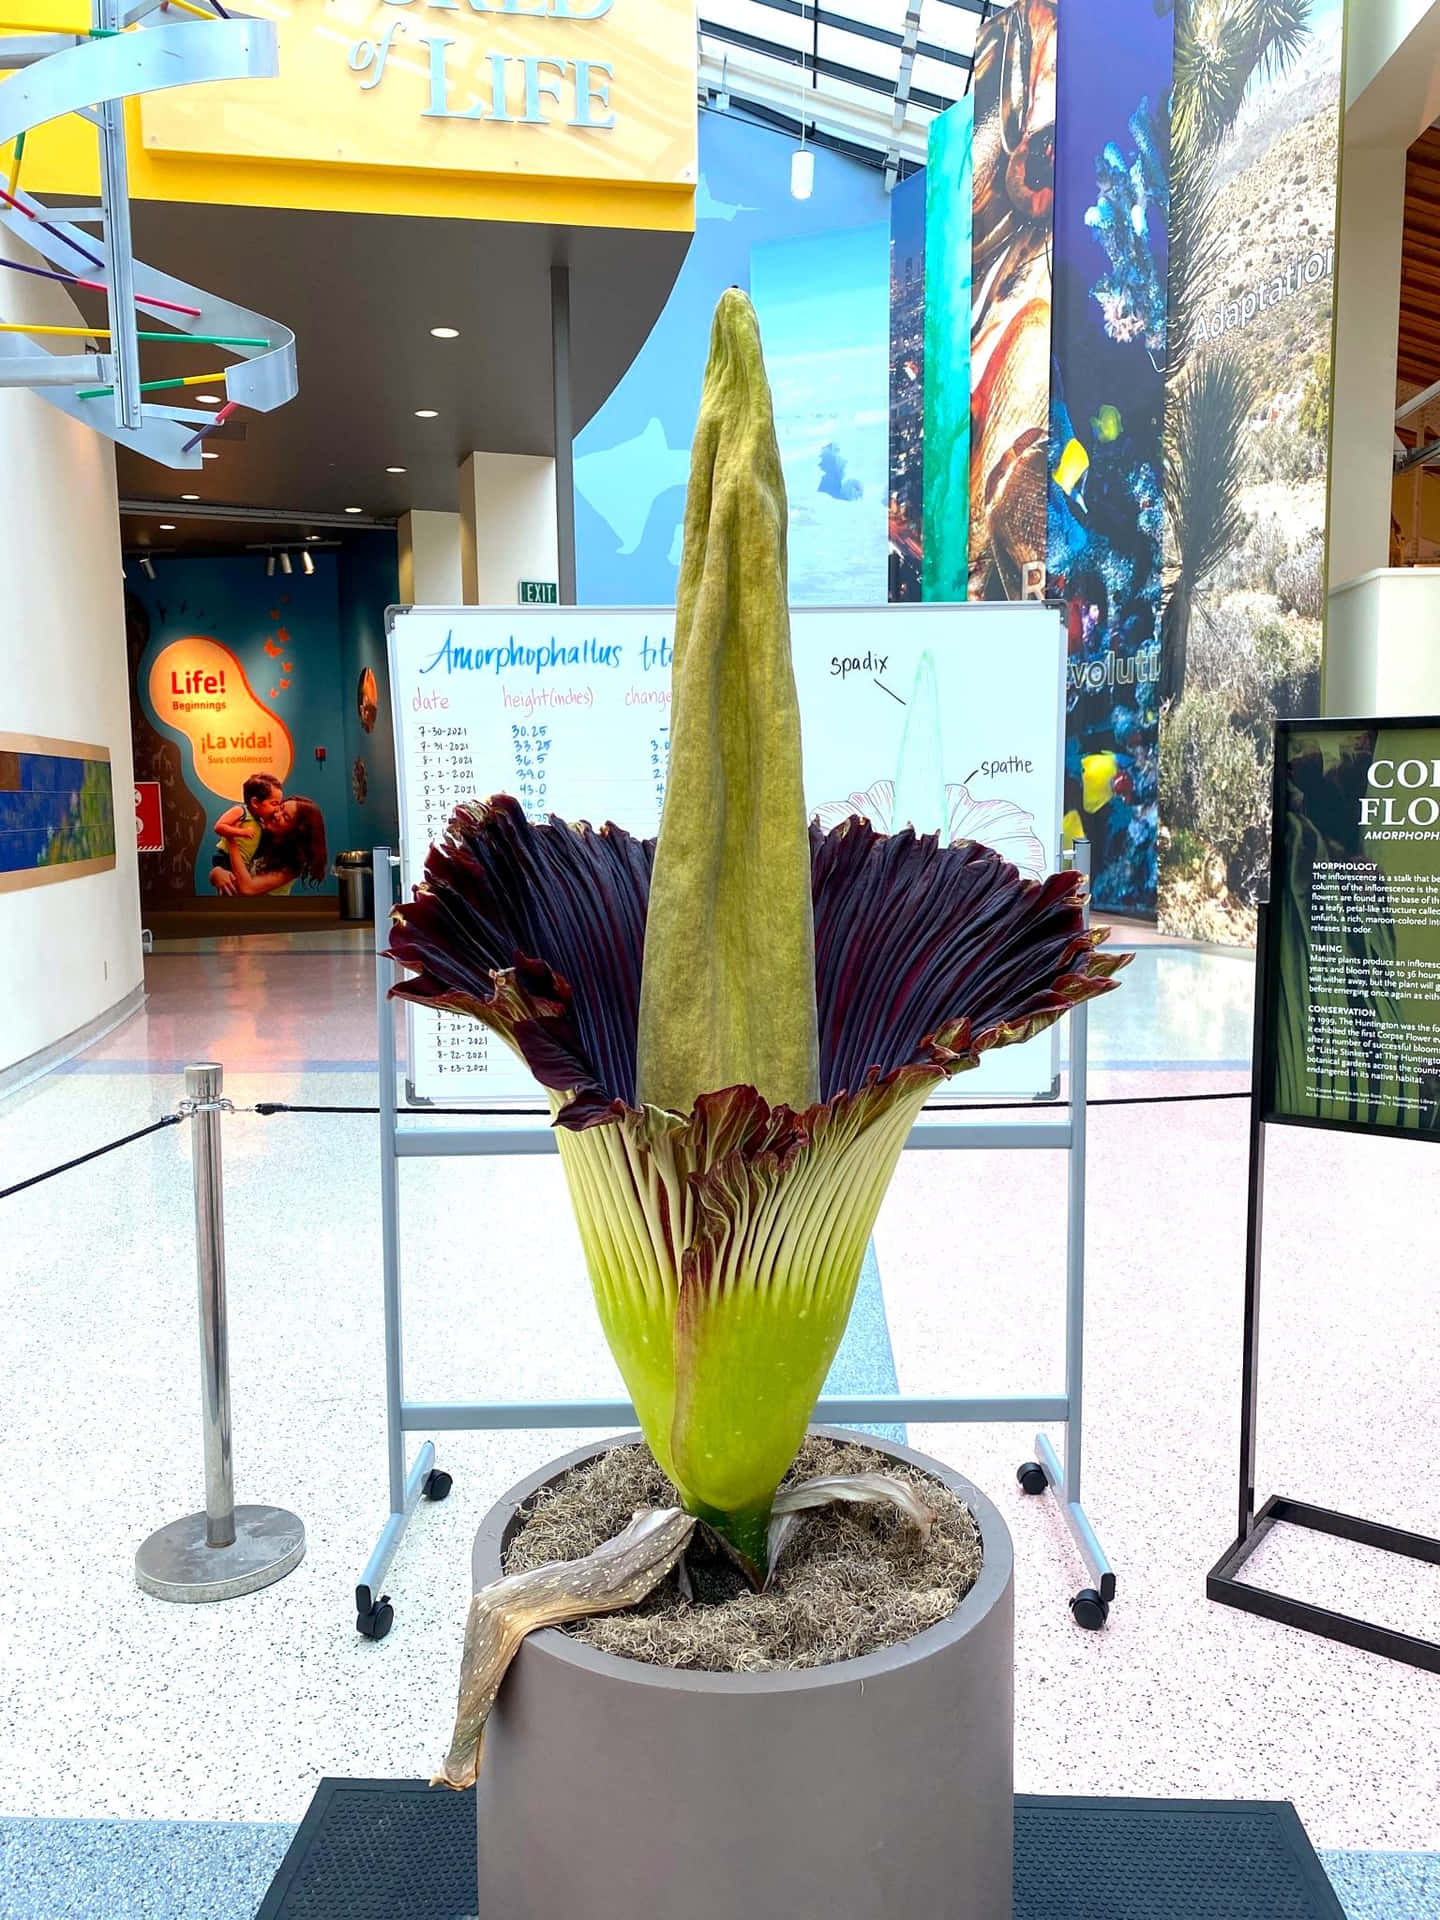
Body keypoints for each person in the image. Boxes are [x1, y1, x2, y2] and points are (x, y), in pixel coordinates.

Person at [210, 779, 327, 896]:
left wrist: (231, 839)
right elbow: (227, 867)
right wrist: (217, 873)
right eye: (280, 807)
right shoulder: (259, 833)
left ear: (296, 831)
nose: (276, 814)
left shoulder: (291, 865)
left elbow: (247, 888)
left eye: (285, 817)